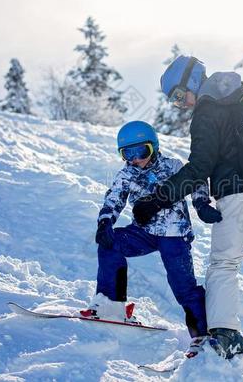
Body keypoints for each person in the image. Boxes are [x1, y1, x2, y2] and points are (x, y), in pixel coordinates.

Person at [133, 56, 243, 380]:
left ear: (191, 81)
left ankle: (225, 334)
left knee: (224, 264)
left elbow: (199, 167)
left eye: (178, 96)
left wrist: (156, 200)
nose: (180, 105)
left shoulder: (207, 109)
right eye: (173, 102)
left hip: (237, 196)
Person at [84, 120, 221, 357]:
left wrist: (201, 203)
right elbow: (114, 198)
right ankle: (111, 304)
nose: (136, 159)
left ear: (154, 147)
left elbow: (197, 179)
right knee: (109, 244)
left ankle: (201, 334)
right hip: (143, 233)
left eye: (141, 151)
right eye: (128, 153)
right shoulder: (126, 174)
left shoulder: (173, 166)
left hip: (174, 234)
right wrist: (105, 221)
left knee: (183, 285)